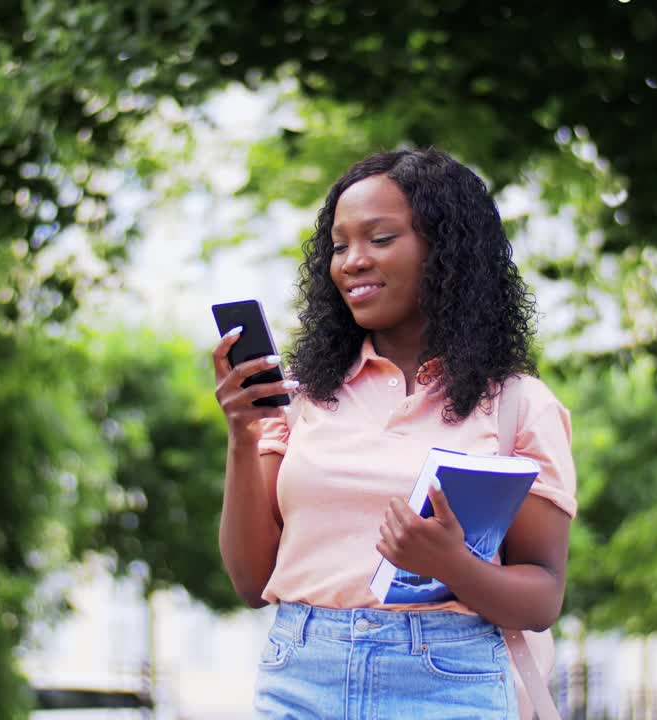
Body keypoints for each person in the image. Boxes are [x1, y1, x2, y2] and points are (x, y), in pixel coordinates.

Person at [211, 149, 577, 719]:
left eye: (379, 239)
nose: (352, 261)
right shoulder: (304, 397)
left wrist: (450, 564)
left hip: (445, 683)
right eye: (338, 246)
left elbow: (542, 597)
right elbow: (252, 581)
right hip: (301, 675)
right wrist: (242, 434)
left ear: (445, 251)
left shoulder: (516, 405)